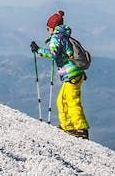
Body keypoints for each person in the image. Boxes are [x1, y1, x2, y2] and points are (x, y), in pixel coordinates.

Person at [30, 10, 88, 139]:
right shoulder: (64, 36)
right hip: (73, 73)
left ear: (52, 27)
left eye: (48, 28)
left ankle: (80, 129)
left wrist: (38, 50)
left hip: (71, 74)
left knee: (72, 101)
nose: (47, 30)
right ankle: (67, 126)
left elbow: (53, 54)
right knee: (61, 100)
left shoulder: (57, 37)